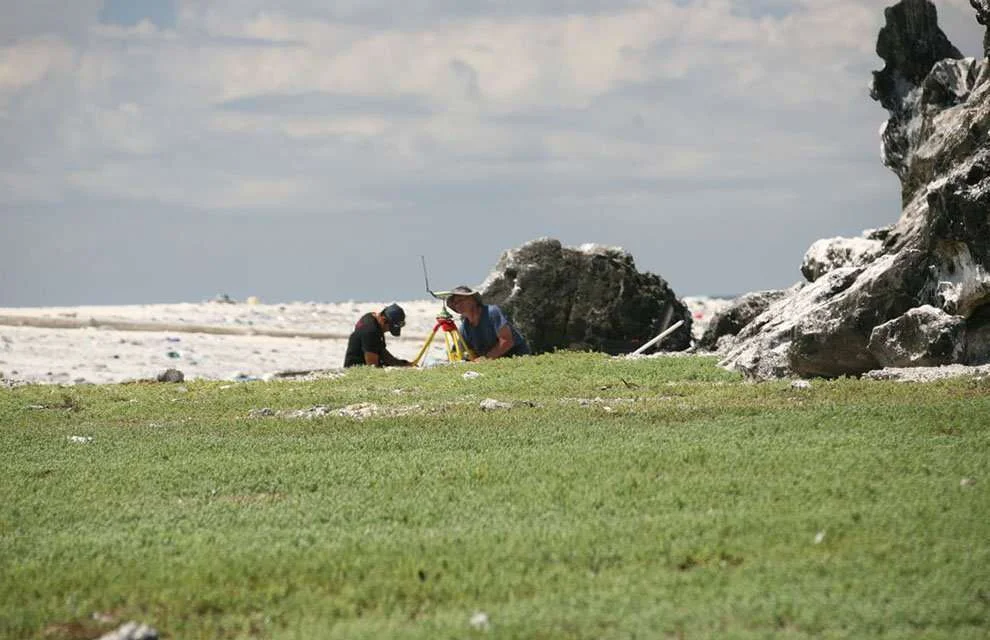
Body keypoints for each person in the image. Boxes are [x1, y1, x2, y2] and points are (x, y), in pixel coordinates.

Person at [445, 286, 530, 360]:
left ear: (473, 300)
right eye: (455, 303)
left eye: (461, 300)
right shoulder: (464, 328)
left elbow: (507, 341)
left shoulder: (492, 312)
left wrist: (485, 359)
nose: (458, 305)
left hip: (517, 357)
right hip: (493, 363)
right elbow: (462, 350)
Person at [343, 303, 413, 368]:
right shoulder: (370, 332)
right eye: (389, 328)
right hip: (357, 371)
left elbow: (380, 351)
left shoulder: (370, 317)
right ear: (383, 320)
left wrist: (401, 364)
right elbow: (372, 367)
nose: (387, 331)